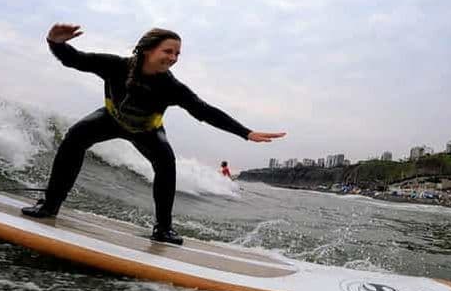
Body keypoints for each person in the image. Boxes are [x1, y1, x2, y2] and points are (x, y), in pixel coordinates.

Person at [22, 23, 286, 245]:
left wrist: (245, 132)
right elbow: (75, 60)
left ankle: (163, 228)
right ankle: (50, 205)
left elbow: (204, 111)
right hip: (111, 119)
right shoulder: (116, 66)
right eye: (168, 51)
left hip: (147, 130)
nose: (173, 58)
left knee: (166, 164)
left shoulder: (171, 86)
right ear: (148, 50)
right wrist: (54, 42)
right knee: (74, 139)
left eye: (177, 54)